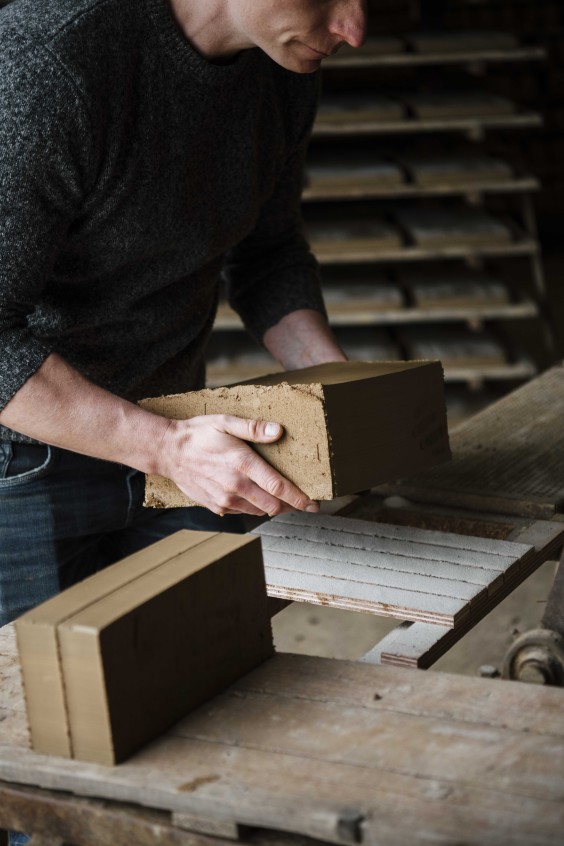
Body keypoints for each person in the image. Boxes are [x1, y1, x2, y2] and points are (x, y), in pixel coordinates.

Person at [0, 0, 367, 630]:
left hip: (180, 435)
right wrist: (165, 448)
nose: (353, 29)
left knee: (183, 682)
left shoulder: (281, 63)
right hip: (25, 462)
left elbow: (268, 253)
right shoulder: (47, 65)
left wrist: (347, 395)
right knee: (43, 711)